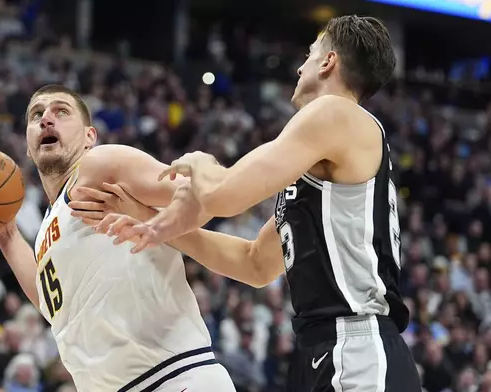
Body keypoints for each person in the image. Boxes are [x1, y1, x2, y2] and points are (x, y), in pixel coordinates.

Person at [95, 15, 423, 392]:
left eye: (310, 54)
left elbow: (223, 195)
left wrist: (203, 161)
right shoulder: (325, 156)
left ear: (329, 61)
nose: (300, 66)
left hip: (358, 349)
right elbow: (254, 263)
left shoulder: (334, 113)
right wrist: (151, 222)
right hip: (326, 349)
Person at [0, 84, 238, 392]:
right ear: (27, 144)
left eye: (61, 111)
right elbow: (57, 311)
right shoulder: (44, 233)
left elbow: (203, 194)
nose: (46, 119)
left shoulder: (98, 165)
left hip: (174, 375)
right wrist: (5, 234)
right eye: (36, 115)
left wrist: (152, 222)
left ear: (90, 137)